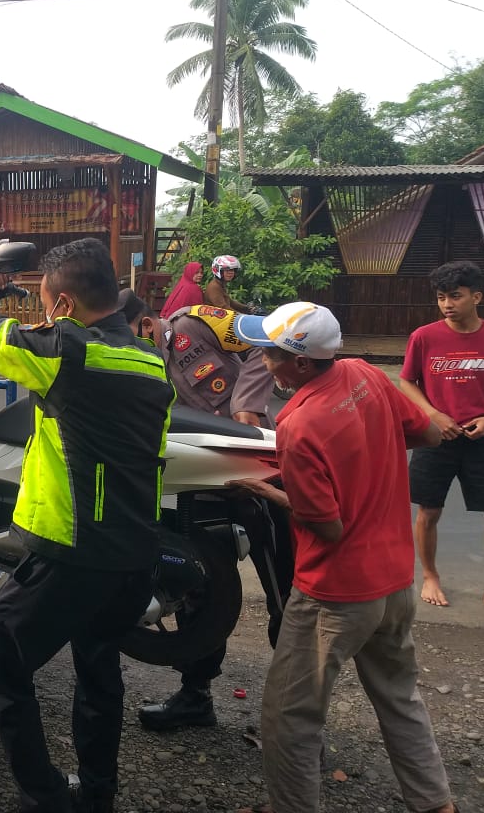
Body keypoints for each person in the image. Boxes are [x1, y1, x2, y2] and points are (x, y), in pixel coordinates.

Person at [0, 237, 175, 813]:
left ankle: (46, 798)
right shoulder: (150, 360)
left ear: (63, 306)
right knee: (98, 667)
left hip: (75, 554)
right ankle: (97, 795)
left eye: (47, 302)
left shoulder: (67, 353)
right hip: (133, 553)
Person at [229, 301, 456, 813]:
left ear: (301, 364)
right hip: (395, 580)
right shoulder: (363, 373)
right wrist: (370, 452)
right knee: (400, 698)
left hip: (335, 594)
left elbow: (328, 526)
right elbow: (429, 433)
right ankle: (436, 803)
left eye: (269, 354)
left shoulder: (298, 425)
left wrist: (267, 492)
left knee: (290, 714)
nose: (262, 362)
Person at [137, 302, 294, 731]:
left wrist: (247, 404)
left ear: (148, 323)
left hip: (259, 467)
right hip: (204, 479)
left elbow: (268, 335)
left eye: (136, 334)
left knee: (286, 591)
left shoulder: (196, 321)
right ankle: (195, 696)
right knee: (202, 585)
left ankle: (295, 716)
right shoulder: (147, 359)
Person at [398, 260, 484, 609]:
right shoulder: (424, 337)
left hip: (480, 438)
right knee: (429, 512)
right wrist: (433, 414)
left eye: (455, 297)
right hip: (435, 438)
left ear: (477, 297)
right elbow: (406, 381)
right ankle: (430, 576)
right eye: (442, 297)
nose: (447, 305)